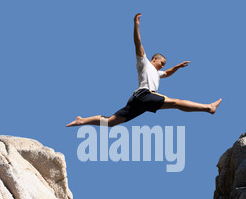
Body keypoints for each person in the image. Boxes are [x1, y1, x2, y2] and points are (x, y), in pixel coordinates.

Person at [66, 13, 222, 128]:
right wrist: (136, 25)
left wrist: (177, 67)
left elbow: (166, 73)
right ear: (155, 59)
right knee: (174, 102)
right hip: (144, 95)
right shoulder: (144, 63)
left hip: (139, 102)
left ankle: (82, 120)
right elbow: (137, 42)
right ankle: (208, 107)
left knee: (110, 123)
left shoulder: (157, 73)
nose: (163, 65)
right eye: (163, 62)